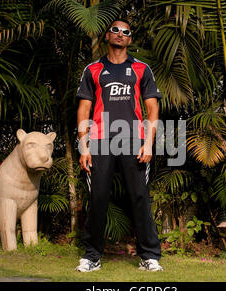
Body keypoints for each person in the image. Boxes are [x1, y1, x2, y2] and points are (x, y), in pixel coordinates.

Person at [75, 19, 163, 272]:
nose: (120, 34)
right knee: (98, 197)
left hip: (133, 140)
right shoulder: (92, 70)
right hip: (100, 141)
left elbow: (152, 108)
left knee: (139, 197)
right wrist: (84, 146)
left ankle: (150, 256)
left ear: (130, 39)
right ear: (107, 35)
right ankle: (92, 256)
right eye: (115, 30)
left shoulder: (141, 69)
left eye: (126, 32)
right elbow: (84, 109)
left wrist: (148, 143)